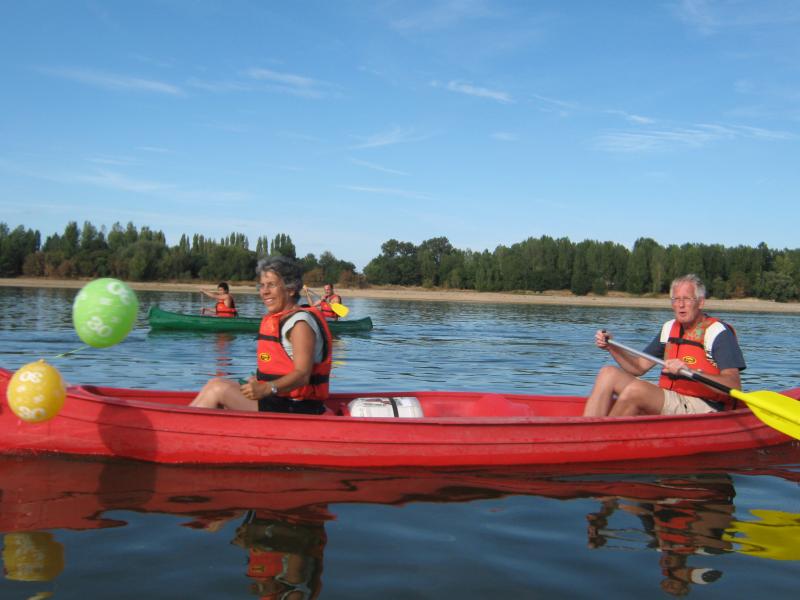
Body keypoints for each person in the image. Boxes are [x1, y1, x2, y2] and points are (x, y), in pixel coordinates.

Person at [583, 274, 746, 417]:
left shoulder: (717, 332)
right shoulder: (669, 329)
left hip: (706, 406)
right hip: (673, 397)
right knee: (608, 373)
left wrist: (690, 371)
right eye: (676, 299)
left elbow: (733, 384)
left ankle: (601, 443)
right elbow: (638, 367)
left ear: (700, 302)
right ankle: (586, 433)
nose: (680, 305)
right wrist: (612, 347)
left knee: (637, 390)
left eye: (687, 299)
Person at [190, 256, 333, 415]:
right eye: (262, 285)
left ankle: (179, 429)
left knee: (217, 390)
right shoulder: (280, 319)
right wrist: (259, 383)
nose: (264, 291)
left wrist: (266, 387)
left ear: (291, 289)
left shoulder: (300, 324)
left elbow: (302, 375)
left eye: (271, 285)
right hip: (279, 400)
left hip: (299, 407)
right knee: (215, 382)